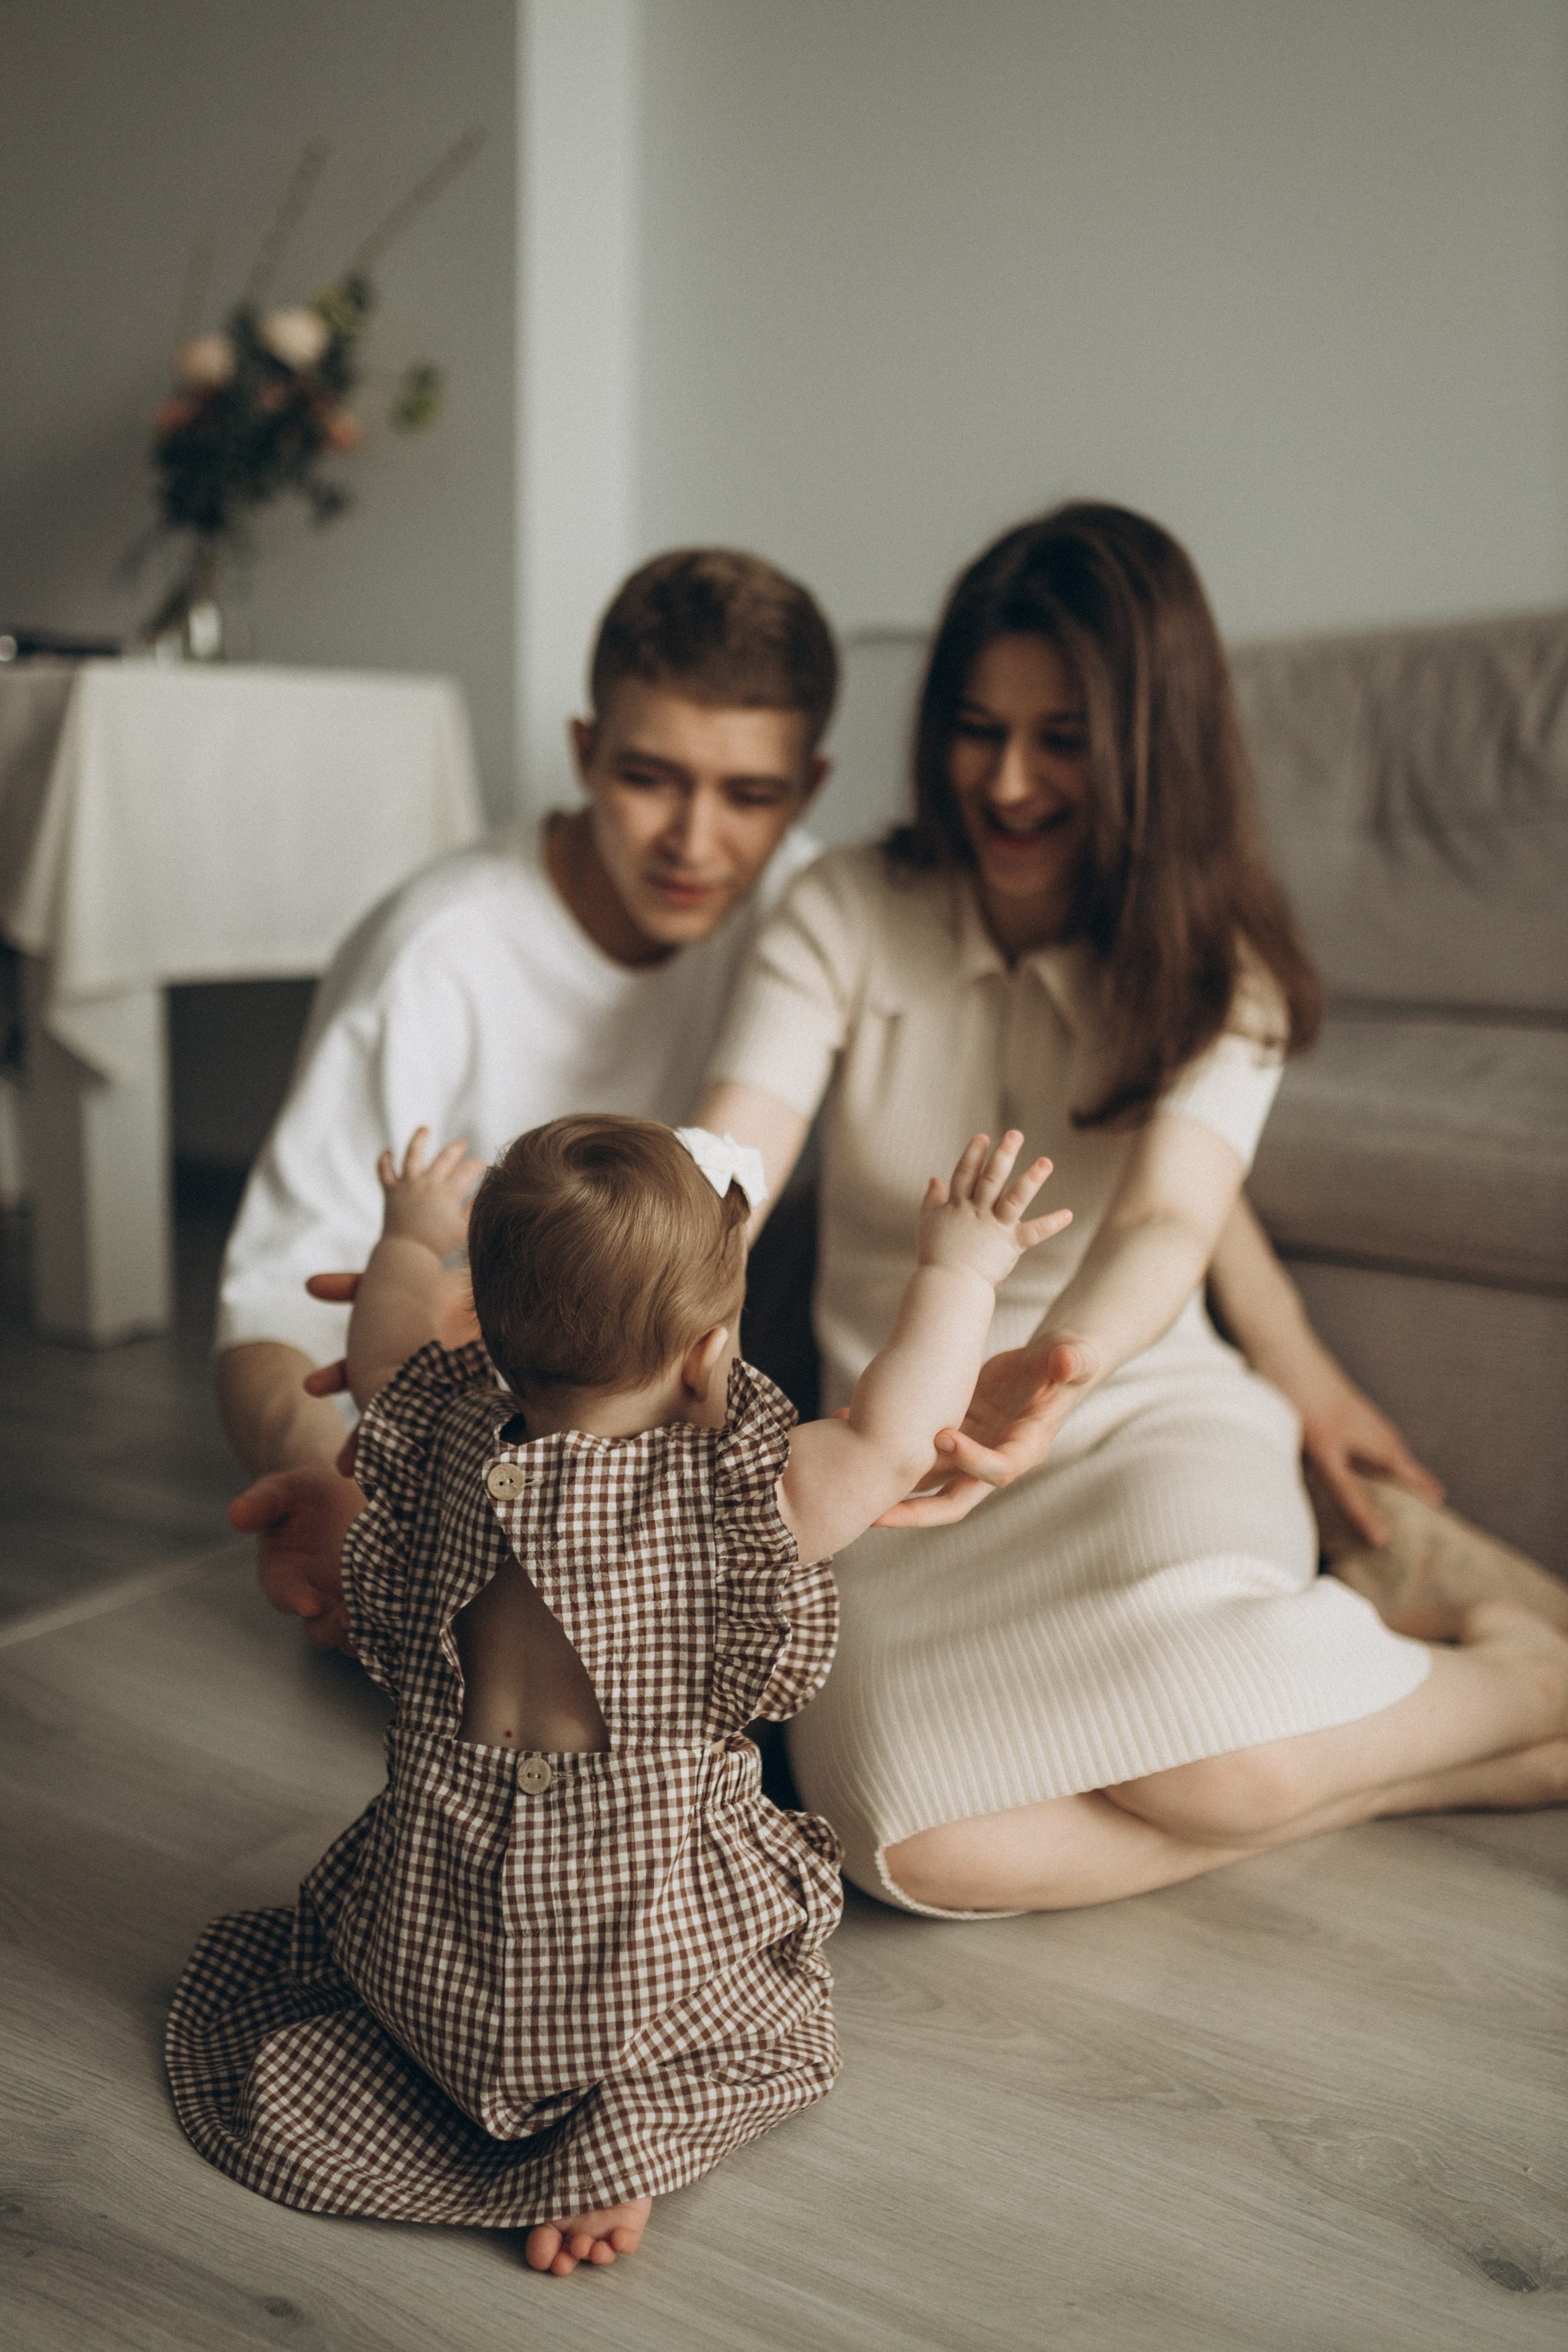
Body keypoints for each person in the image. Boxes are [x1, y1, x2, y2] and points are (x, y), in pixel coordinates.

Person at [698, 501, 1568, 1918]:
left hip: (1132, 1416)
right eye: (976, 729)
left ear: (1152, 747)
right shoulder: (840, 909)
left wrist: (1060, 1372)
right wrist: (597, 1267)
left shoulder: (1218, 966)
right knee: (908, 1846)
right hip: (903, 1453)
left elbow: (1170, 1219)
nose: (1008, 782)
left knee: (1220, 1765)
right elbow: (731, 1150)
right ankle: (1453, 1749)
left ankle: (1521, 1684)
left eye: (1062, 739)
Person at [167, 1113, 1063, 2271]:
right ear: (705, 1357)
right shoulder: (735, 1500)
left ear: (491, 1329)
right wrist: (961, 1266)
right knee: (737, 2017)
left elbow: (385, 1339)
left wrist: (410, 1233)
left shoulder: (437, 1430)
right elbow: (897, 1437)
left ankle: (444, 2075)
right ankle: (620, 2140)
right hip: (630, 1948)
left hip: (430, 1934)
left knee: (395, 1987)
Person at [216, 548, 835, 1649]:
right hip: (464, 1421)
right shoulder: (436, 951)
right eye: (650, 778)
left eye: (751, 796)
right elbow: (274, 1300)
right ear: (585, 752)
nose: (695, 842)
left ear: (810, 789)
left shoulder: (812, 908)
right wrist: (344, 1487)